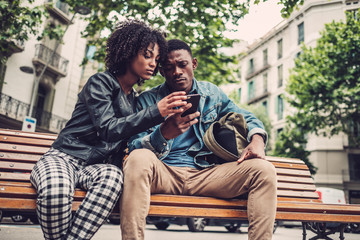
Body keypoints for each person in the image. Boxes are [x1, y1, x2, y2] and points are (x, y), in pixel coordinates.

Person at [30, 21, 188, 240]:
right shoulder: (100, 83)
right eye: (147, 55)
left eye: (156, 58)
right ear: (129, 52)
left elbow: (128, 142)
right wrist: (156, 112)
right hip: (64, 158)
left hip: (95, 168)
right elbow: (108, 129)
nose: (153, 63)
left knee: (114, 178)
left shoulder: (135, 101)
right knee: (56, 192)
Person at [120, 39, 277, 240]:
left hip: (206, 175)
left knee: (264, 170)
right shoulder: (148, 101)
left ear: (193, 64)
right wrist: (163, 133)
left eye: (182, 64)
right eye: (169, 67)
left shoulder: (211, 94)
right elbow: (134, 146)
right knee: (138, 157)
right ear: (162, 72)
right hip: (163, 173)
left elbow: (247, 117)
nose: (176, 71)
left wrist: (257, 140)